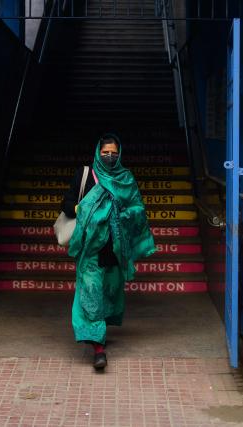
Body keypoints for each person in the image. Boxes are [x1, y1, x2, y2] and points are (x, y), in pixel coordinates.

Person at [62, 133, 156, 370]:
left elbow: (137, 207)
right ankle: (98, 349)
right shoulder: (85, 175)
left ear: (119, 153)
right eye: (105, 153)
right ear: (98, 153)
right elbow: (67, 204)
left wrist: (120, 214)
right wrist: (87, 210)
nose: (110, 156)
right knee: (91, 294)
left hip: (115, 249)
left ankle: (99, 332)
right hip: (90, 250)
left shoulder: (125, 178)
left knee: (110, 292)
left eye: (114, 153)